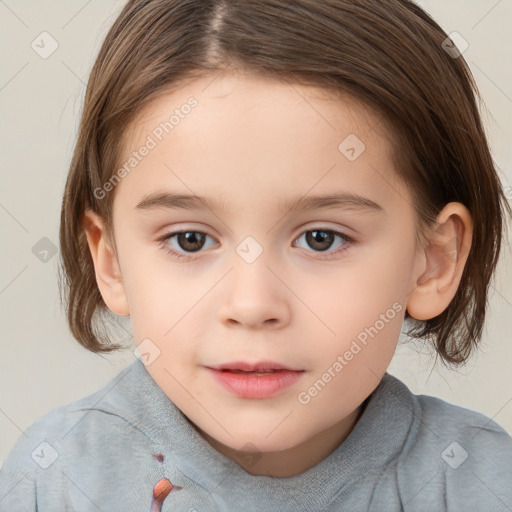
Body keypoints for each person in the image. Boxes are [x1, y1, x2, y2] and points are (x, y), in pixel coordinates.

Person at [1, 0, 511, 510]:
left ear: (433, 260)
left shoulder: (479, 482)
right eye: (190, 240)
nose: (251, 304)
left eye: (321, 239)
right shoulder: (56, 480)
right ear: (110, 262)